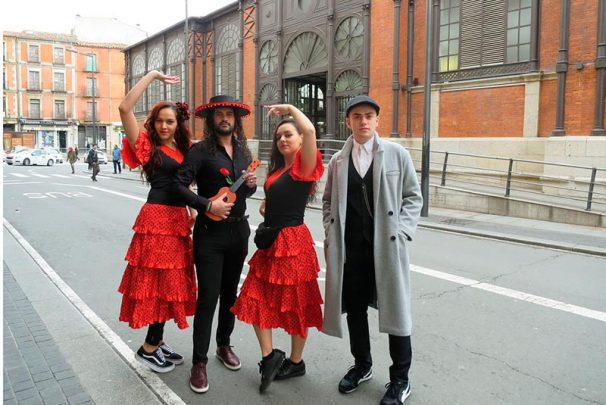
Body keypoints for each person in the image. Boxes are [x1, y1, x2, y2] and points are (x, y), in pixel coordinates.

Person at [322, 95, 423, 405]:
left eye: (369, 116)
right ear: (348, 122)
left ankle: (400, 379)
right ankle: (362, 365)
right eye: (357, 116)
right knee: (355, 310)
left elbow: (413, 197)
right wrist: (330, 231)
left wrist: (402, 232)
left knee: (396, 314)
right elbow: (327, 201)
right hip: (351, 250)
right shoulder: (338, 161)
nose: (363, 121)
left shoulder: (397, 154)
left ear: (377, 120)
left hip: (386, 249)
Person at [231, 104, 324, 393]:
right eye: (279, 136)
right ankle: (270, 357)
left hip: (293, 243)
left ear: (300, 140)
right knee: (254, 297)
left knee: (297, 304)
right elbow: (278, 195)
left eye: (288, 135)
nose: (282, 139)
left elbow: (310, 130)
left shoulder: (304, 166)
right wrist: (266, 203)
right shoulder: (279, 169)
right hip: (271, 241)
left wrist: (290, 109)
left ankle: (295, 362)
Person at [173, 95, 257, 394]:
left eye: (229, 114)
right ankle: (199, 362)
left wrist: (251, 186)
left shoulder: (244, 151)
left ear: (236, 119)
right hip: (210, 234)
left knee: (230, 294)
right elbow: (178, 185)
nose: (224, 118)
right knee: (208, 298)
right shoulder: (200, 151)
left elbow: (243, 194)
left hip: (239, 232)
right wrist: (206, 204)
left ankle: (224, 345)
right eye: (219, 114)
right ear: (211, 119)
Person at [117, 70, 197, 374]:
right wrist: (152, 76)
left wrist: (191, 208)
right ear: (153, 123)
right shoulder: (147, 146)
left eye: (170, 121)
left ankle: (158, 340)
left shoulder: (182, 149)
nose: (164, 126)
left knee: (169, 284)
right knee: (159, 286)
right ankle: (148, 348)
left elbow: (183, 183)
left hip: (176, 221)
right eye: (160, 121)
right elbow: (125, 108)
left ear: (178, 125)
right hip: (157, 220)